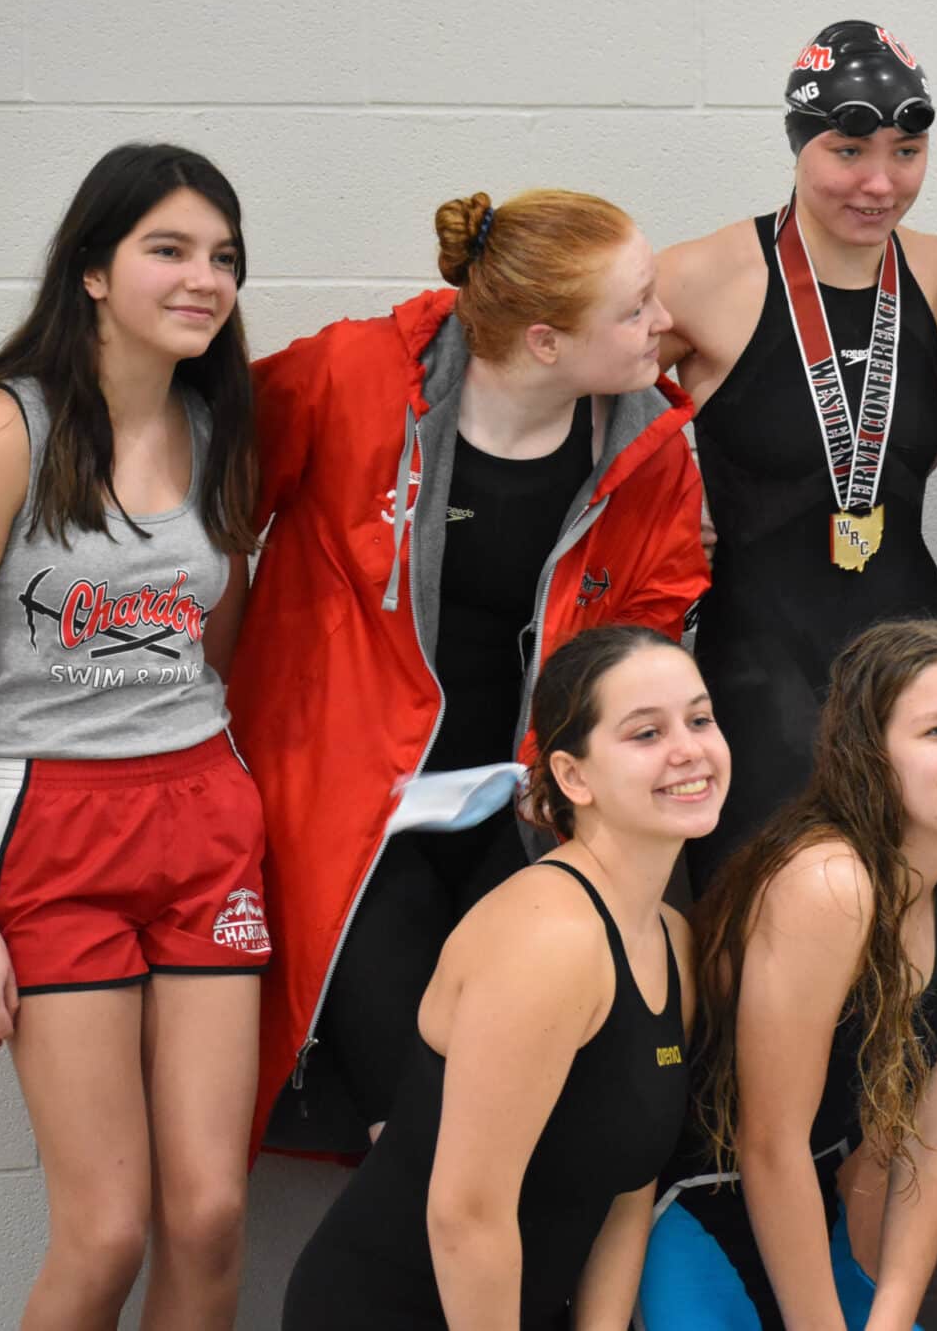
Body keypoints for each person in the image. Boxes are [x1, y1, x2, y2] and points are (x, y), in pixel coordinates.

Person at [230, 188, 707, 1155]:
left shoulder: (646, 447)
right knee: (417, 1126)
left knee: (519, 1121)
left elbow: (651, 622)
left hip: (523, 813)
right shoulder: (351, 378)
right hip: (358, 812)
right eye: (637, 307)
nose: (668, 323)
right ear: (544, 340)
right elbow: (202, 497)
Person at [0, 143, 264, 1329]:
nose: (202, 278)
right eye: (167, 249)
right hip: (51, 823)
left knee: (214, 1213)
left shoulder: (218, 425)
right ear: (92, 272)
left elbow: (218, 643)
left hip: (205, 816)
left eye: (222, 256)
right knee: (108, 1227)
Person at [282, 626, 716, 1329]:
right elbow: (466, 1215)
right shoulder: (548, 939)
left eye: (699, 719)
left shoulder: (670, 938)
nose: (689, 748)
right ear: (574, 777)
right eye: (646, 733)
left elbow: (629, 1191)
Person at [637, 620, 937, 1330]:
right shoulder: (828, 884)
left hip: (816, 1219)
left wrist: (891, 1314)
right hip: (700, 1215)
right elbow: (770, 1145)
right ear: (871, 756)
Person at [659, 20, 937, 895]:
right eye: (848, 149)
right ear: (800, 144)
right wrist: (663, 512)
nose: (880, 182)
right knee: (760, 913)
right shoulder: (704, 275)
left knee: (926, 921)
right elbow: (580, 411)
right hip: (760, 665)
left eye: (906, 151)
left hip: (914, 651)